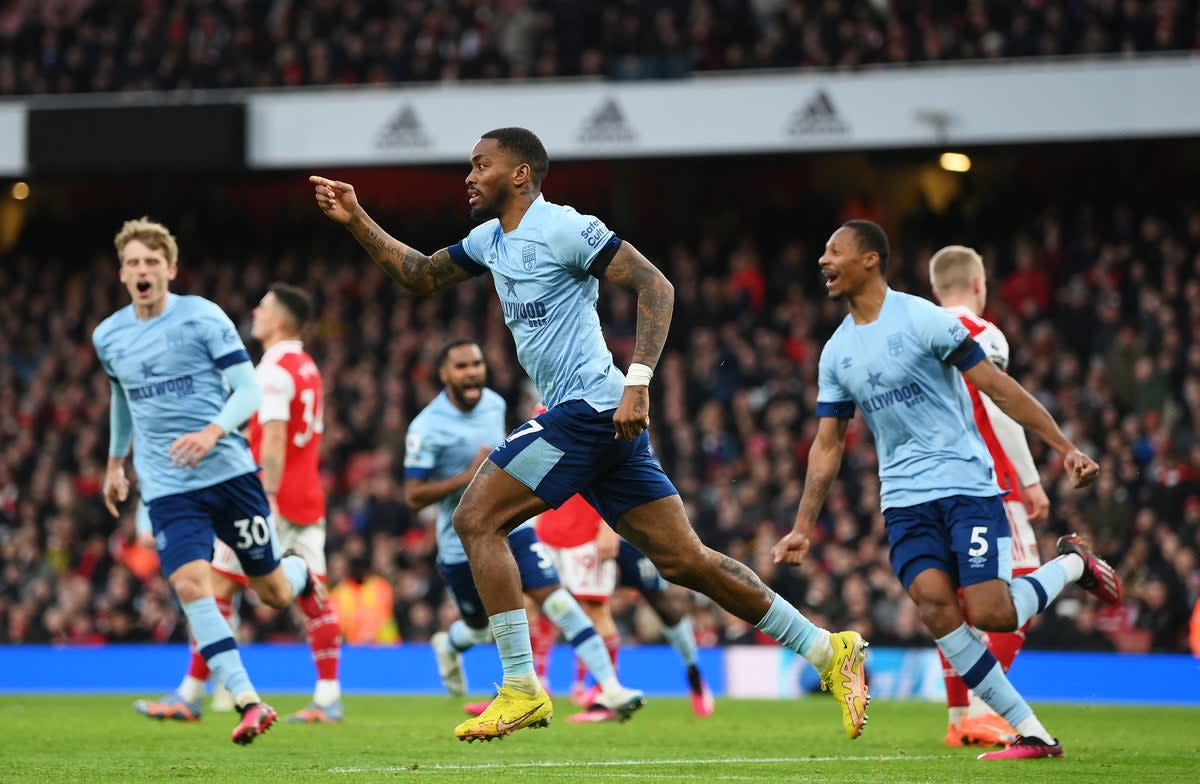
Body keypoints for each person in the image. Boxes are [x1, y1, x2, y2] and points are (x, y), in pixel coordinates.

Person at [310, 127, 868, 743]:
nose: (468, 177)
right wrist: (355, 217)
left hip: (593, 409)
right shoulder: (491, 240)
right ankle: (825, 648)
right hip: (598, 421)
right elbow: (417, 274)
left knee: (475, 519)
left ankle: (521, 687)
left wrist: (640, 381)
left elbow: (657, 286)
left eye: (480, 165)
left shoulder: (566, 227)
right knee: (686, 561)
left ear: (520, 174)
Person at [772, 220, 1123, 761]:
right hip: (903, 501)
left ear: (870, 260)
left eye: (833, 250)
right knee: (936, 610)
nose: (823, 259)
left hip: (965, 484)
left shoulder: (923, 320)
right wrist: (802, 526)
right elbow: (827, 445)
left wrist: (1063, 447)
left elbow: (999, 389)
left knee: (993, 613)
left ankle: (1074, 565)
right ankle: (1032, 733)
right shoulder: (836, 352)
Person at [94, 217, 324, 745]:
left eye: (152, 261)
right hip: (167, 484)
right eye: (133, 262)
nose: (143, 270)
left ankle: (300, 575)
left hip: (228, 472)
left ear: (170, 268)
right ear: (122, 273)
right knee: (191, 584)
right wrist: (114, 462)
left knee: (270, 592)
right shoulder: (109, 336)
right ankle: (249, 701)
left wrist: (212, 429)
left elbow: (247, 391)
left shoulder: (202, 318)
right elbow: (121, 399)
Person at [132, 284, 344, 724]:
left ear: (281, 320)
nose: (255, 311)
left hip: (270, 496)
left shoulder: (270, 372)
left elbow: (276, 437)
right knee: (312, 595)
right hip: (307, 495)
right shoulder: (307, 367)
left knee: (217, 586)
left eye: (264, 306)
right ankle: (328, 697)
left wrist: (265, 497)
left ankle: (190, 693)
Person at [409, 339, 644, 722]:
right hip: (461, 545)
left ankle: (612, 690)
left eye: (477, 363)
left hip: (513, 527)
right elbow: (413, 496)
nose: (472, 372)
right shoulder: (427, 426)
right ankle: (448, 644)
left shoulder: (495, 404)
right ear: (444, 374)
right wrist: (466, 478)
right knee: (481, 628)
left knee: (559, 601)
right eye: (462, 366)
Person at [929, 245, 1052, 748]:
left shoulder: (914, 334)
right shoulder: (982, 333)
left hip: (929, 489)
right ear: (980, 284)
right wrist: (1031, 479)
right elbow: (998, 404)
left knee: (953, 605)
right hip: (990, 484)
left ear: (936, 289)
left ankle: (959, 718)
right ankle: (984, 708)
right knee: (1015, 593)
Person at [535, 491, 715, 719]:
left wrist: (610, 526)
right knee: (566, 603)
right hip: (576, 528)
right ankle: (595, 691)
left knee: (661, 604)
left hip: (628, 527)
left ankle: (693, 671)